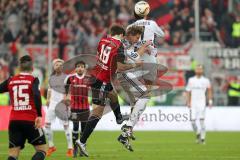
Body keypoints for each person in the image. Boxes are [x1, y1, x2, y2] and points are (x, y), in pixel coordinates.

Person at [75, 24, 142, 157]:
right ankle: (82, 141)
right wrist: (135, 64)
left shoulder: (103, 40)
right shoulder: (119, 46)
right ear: (121, 35)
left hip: (95, 76)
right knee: (97, 114)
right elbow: (121, 67)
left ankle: (118, 117)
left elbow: (100, 56)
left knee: (112, 94)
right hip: (102, 80)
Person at [0, 55, 47, 160]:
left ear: (19, 67)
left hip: (14, 121)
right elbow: (36, 95)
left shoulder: (11, 80)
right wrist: (39, 115)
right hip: (31, 120)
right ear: (32, 68)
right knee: (42, 150)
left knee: (13, 154)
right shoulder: (33, 79)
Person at [117, 25, 152, 151]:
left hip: (126, 75)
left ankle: (125, 136)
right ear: (130, 34)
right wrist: (144, 46)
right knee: (146, 95)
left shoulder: (127, 43)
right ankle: (128, 127)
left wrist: (142, 49)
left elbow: (135, 54)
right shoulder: (124, 43)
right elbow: (135, 56)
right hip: (124, 74)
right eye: (137, 37)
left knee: (136, 104)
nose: (137, 39)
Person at [44, 59, 73, 157]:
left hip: (62, 104)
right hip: (52, 104)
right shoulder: (51, 78)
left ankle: (70, 148)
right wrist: (47, 99)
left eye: (61, 65)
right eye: (57, 64)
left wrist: (68, 99)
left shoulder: (66, 77)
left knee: (65, 126)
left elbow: (69, 90)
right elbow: (49, 89)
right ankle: (51, 146)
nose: (59, 66)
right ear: (54, 66)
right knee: (47, 125)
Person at [64, 61, 90, 157]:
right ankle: (75, 149)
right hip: (74, 108)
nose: (80, 68)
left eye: (82, 67)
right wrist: (66, 96)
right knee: (75, 128)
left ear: (84, 68)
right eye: (78, 66)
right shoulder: (70, 78)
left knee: (84, 130)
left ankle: (82, 149)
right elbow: (65, 87)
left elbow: (95, 89)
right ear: (75, 68)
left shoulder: (88, 79)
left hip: (85, 108)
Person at [186, 64, 213, 144]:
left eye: (200, 69)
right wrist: (188, 102)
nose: (199, 70)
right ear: (195, 70)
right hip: (193, 103)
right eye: (197, 69)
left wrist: (210, 100)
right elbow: (188, 91)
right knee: (192, 122)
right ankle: (198, 132)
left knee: (201, 121)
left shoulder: (206, 80)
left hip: (202, 103)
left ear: (202, 71)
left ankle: (203, 138)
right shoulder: (191, 80)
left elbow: (209, 90)